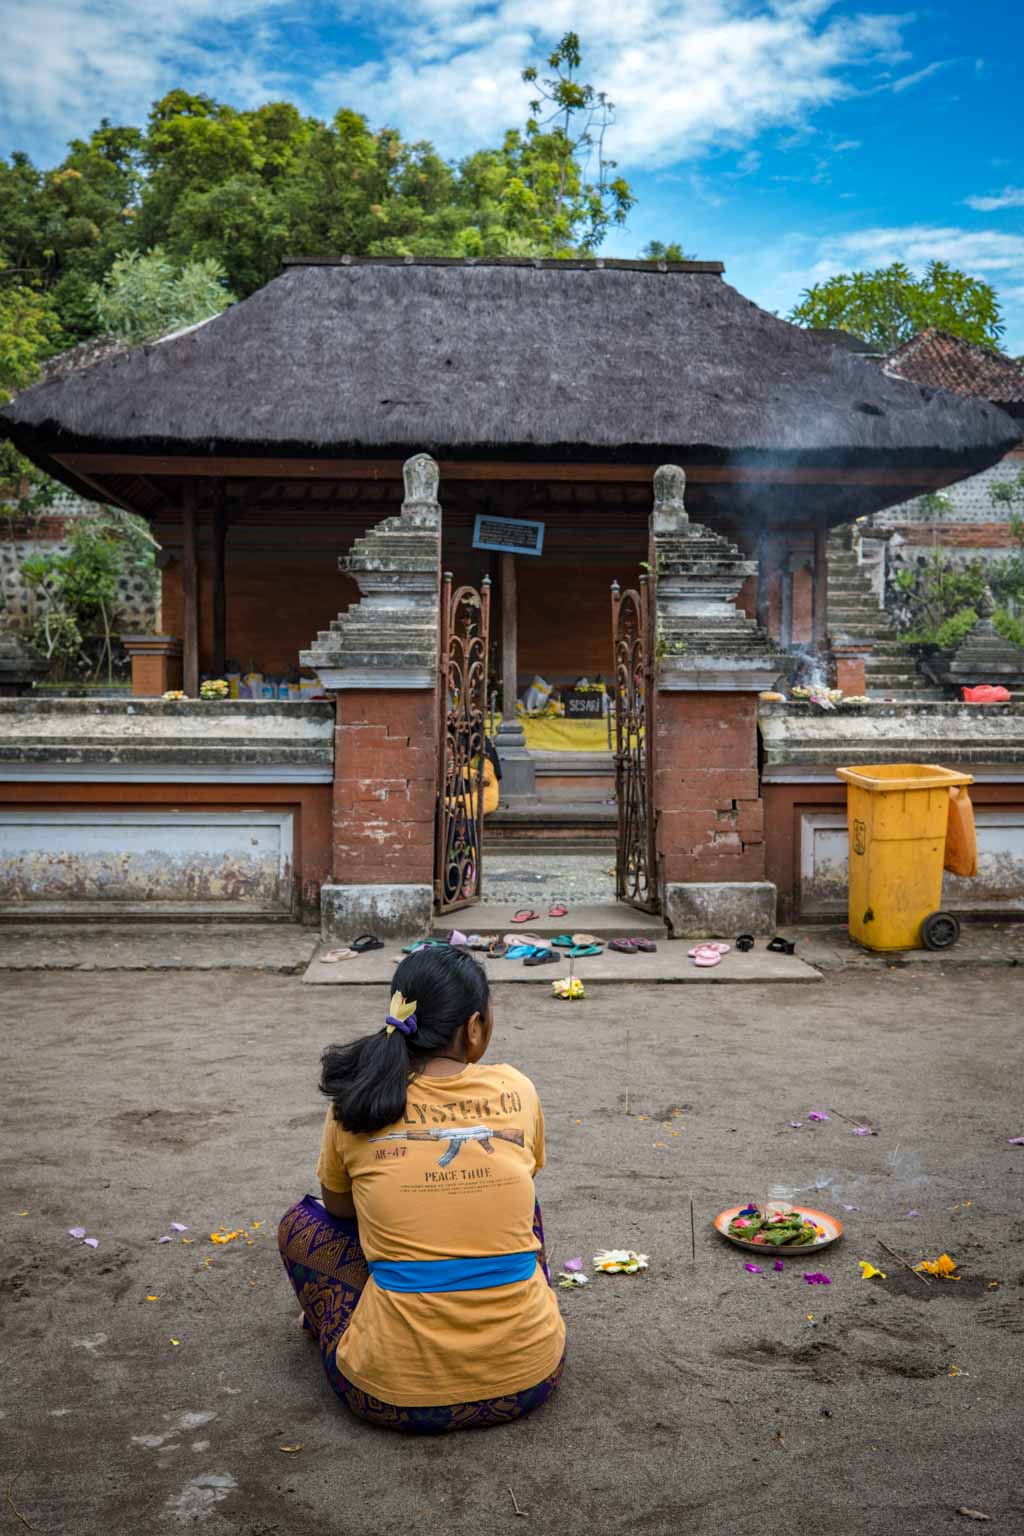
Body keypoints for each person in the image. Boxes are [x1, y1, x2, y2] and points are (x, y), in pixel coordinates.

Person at [277, 945, 566, 1433]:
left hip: (388, 1395)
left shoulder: (357, 1102)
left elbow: (339, 1208)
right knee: (521, 1200)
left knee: (300, 1226)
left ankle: (336, 1321)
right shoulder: (518, 1089)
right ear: (473, 1028)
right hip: (530, 1376)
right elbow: (522, 1181)